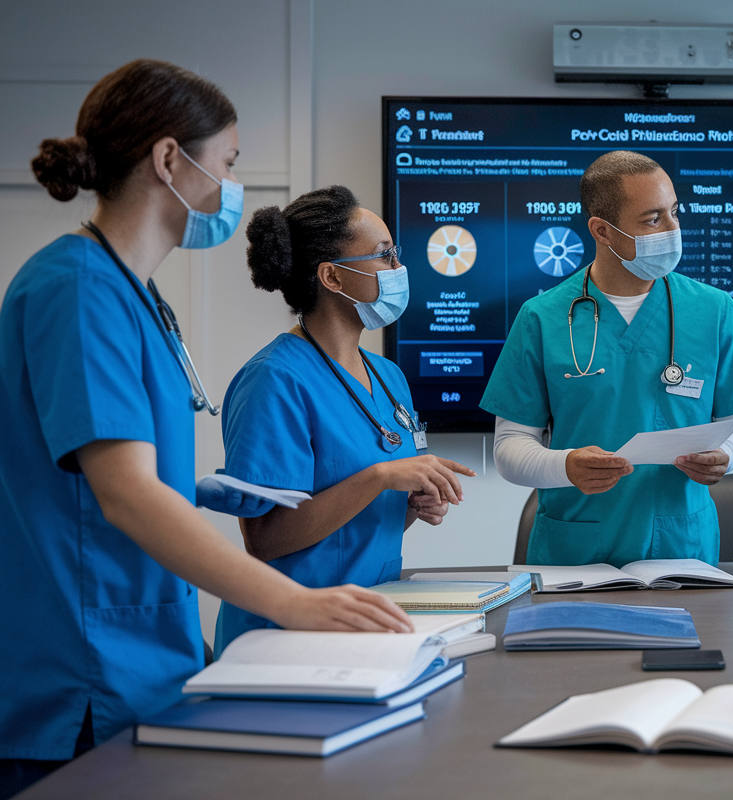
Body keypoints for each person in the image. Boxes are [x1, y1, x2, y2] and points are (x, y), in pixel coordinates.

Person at [0, 60, 412, 798]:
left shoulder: (138, 298)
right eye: (227, 162)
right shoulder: (76, 288)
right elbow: (125, 497)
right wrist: (293, 603)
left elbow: (122, 478)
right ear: (168, 159)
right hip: (82, 667)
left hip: (147, 650)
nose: (231, 187)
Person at [213, 187, 476, 654]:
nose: (398, 269)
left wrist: (414, 504)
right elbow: (266, 539)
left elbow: (363, 519)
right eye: (383, 256)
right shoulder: (274, 380)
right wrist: (381, 477)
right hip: (287, 636)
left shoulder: (389, 376)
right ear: (332, 276)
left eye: (396, 254)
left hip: (369, 619)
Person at [481, 151, 733, 566]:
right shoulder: (542, 317)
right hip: (575, 552)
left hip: (681, 549)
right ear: (603, 230)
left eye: (675, 212)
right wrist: (566, 465)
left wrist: (728, 455)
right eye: (653, 219)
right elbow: (511, 448)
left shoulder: (714, 309)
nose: (673, 229)